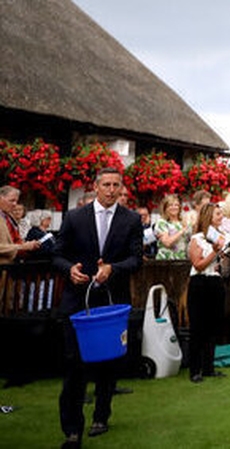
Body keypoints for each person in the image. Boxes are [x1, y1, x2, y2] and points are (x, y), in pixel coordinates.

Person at [52, 167, 143, 448]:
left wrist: (112, 269)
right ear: (96, 187)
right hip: (77, 302)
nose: (111, 189)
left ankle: (101, 415)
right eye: (106, 184)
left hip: (111, 304)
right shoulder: (74, 217)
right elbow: (56, 254)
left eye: (116, 184)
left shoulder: (131, 220)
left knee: (108, 363)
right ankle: (72, 429)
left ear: (121, 188)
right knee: (74, 364)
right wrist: (70, 270)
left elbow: (137, 259)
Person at [187, 202, 227, 383]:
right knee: (198, 327)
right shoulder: (197, 239)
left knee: (213, 326)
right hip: (200, 283)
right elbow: (198, 264)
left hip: (215, 281)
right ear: (209, 216)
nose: (221, 217)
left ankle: (209, 367)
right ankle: (195, 370)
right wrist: (214, 252)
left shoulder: (220, 237)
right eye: (218, 214)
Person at [0, 185, 41, 264]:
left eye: (16, 201)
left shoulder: (9, 216)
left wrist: (28, 245)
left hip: (10, 267)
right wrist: (21, 247)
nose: (15, 204)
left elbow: (13, 239)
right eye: (11, 200)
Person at [154, 194, 188, 260]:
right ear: (165, 208)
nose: (174, 207)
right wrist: (181, 231)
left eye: (176, 205)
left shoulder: (183, 222)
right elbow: (167, 243)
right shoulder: (162, 223)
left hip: (181, 258)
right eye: (170, 205)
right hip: (166, 260)